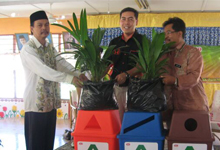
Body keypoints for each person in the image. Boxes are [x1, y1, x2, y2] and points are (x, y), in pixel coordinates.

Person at [20, 10, 87, 150]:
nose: (44, 28)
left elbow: (61, 63)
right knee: (36, 145)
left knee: (47, 144)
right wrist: (70, 79)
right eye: (39, 25)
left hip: (50, 103)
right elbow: (44, 71)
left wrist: (78, 74)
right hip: (36, 107)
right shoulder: (28, 49)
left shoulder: (49, 47)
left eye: (46, 24)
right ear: (31, 28)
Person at [161, 17, 209, 126]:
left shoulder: (192, 52)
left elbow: (194, 77)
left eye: (169, 32)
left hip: (192, 106)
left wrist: (175, 80)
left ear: (179, 33)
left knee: (193, 139)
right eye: (164, 33)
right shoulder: (163, 54)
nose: (165, 37)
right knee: (174, 139)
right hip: (170, 109)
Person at [108, 7, 142, 121]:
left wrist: (127, 74)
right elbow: (107, 63)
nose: (126, 22)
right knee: (119, 120)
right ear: (120, 21)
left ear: (136, 22)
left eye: (130, 19)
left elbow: (144, 65)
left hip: (137, 88)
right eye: (123, 19)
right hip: (117, 88)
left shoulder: (143, 41)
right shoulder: (114, 42)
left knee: (134, 120)